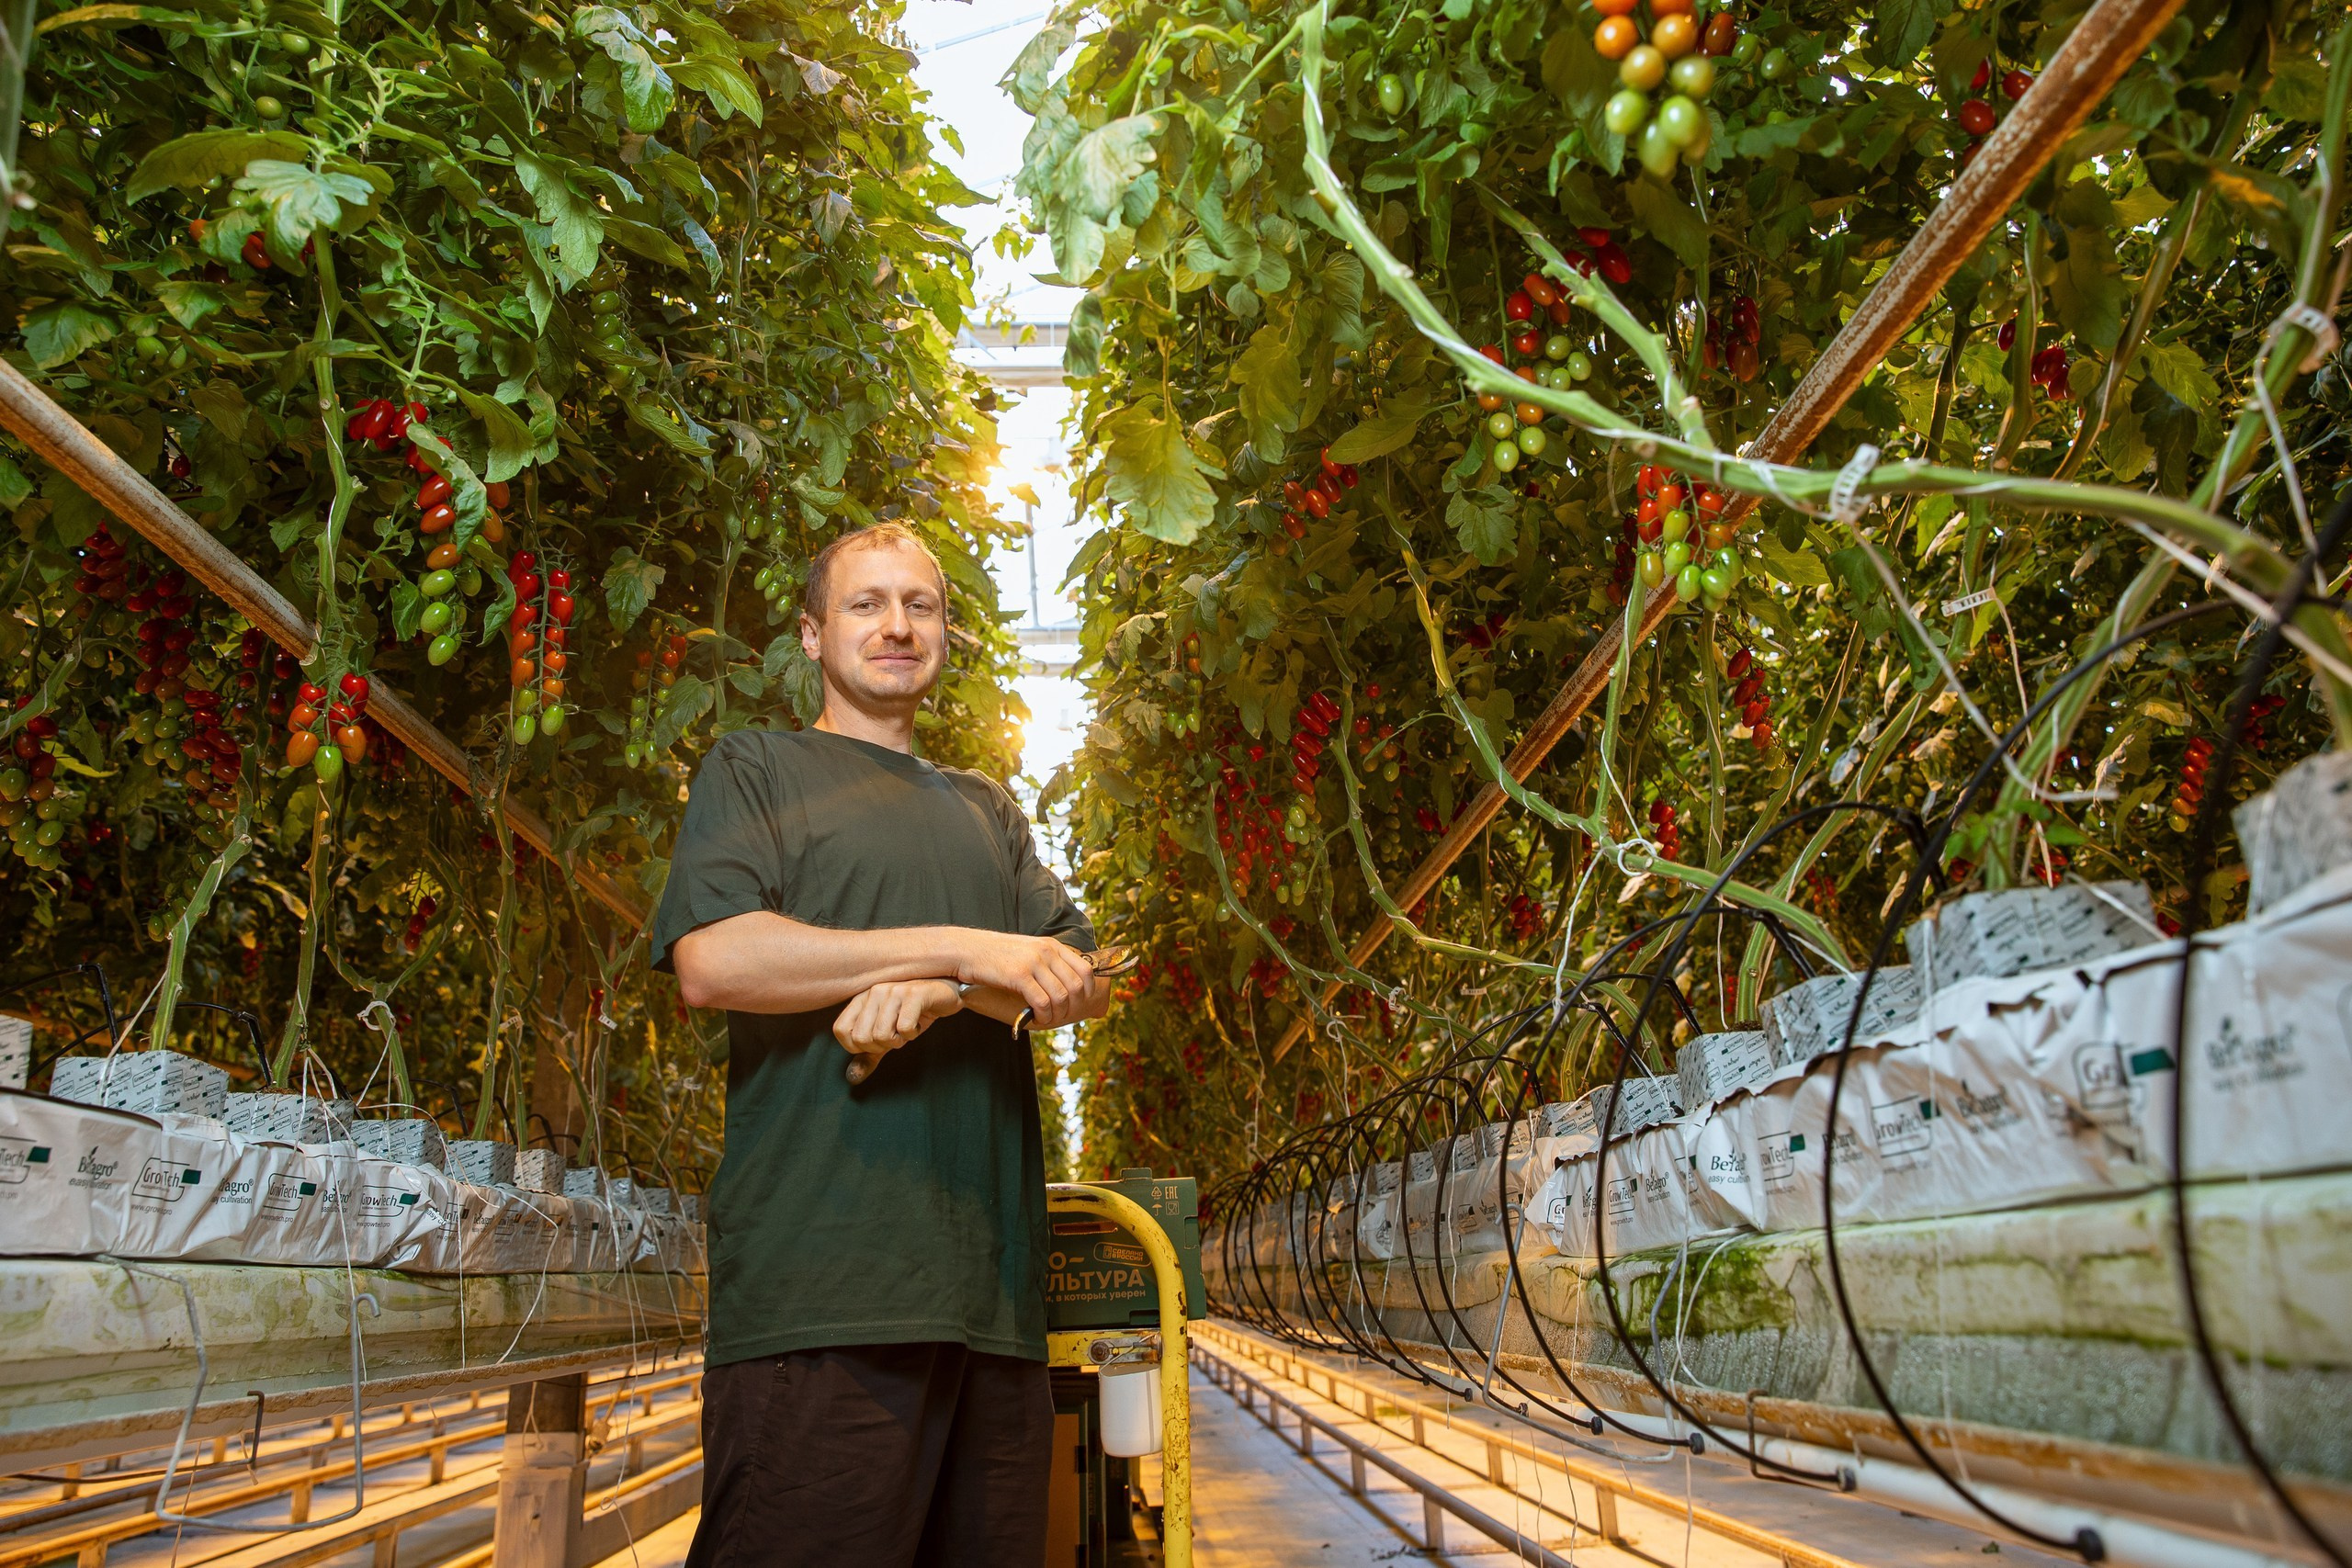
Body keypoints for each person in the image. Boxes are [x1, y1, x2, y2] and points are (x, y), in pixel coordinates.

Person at [652, 522, 1110, 1568]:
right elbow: (713, 961)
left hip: (992, 1305)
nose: (897, 625)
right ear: (814, 635)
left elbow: (1082, 977)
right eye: (866, 604)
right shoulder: (758, 768)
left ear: (945, 631)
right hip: (825, 1292)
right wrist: (964, 946)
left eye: (920, 605)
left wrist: (946, 993)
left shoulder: (987, 810)